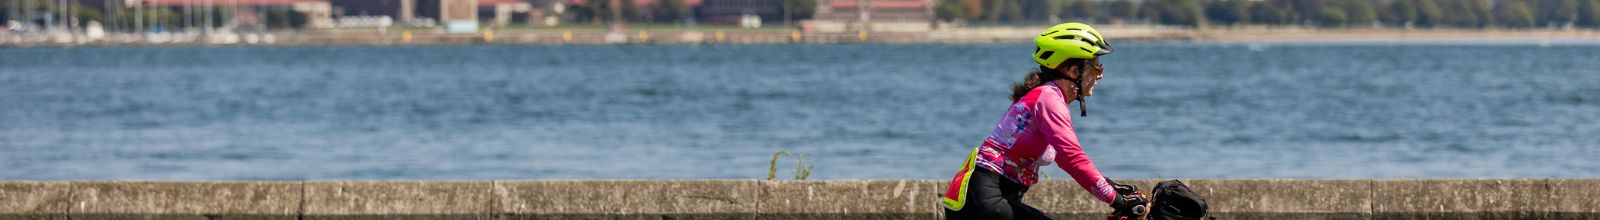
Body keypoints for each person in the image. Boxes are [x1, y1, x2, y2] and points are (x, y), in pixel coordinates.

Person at [940, 22, 1143, 219]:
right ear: (1074, 72)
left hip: (984, 196)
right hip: (986, 197)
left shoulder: (1045, 96)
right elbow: (1072, 158)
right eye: (1096, 68)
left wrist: (1110, 186)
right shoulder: (1049, 98)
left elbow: (1066, 157)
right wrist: (1117, 201)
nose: (1099, 76)